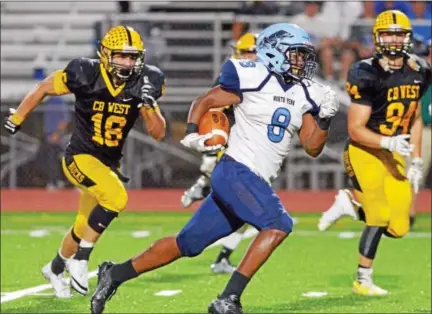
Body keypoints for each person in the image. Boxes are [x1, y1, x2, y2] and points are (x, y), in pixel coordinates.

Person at [90, 22, 340, 314]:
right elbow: (207, 100)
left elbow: (312, 147)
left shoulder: (308, 92)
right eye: (296, 54)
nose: (302, 61)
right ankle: (228, 298)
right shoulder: (251, 75)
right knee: (278, 224)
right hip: (235, 169)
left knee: (187, 244)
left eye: (303, 55)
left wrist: (324, 117)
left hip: (254, 179)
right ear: (274, 51)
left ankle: (114, 273)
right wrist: (194, 132)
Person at [3, 25, 167, 298]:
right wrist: (18, 117)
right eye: (121, 56)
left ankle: (55, 268)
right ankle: (81, 258)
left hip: (108, 164)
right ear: (105, 54)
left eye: (133, 57)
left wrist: (148, 105)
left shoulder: (145, 81)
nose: (128, 63)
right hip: (79, 156)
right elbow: (44, 87)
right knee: (116, 198)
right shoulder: (85, 72)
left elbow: (159, 133)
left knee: (83, 224)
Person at [317, 10, 431, 295]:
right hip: (365, 150)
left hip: (394, 154)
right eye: (388, 33)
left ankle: (350, 205)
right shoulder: (365, 72)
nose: (393, 39)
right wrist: (387, 142)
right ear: (378, 37)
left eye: (398, 33)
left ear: (407, 37)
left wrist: (416, 159)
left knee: (400, 227)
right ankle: (363, 280)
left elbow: (415, 117)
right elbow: (356, 129)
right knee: (378, 215)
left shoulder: (420, 70)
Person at [181, 32, 258, 274]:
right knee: (246, 207)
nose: (252, 57)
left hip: (253, 147)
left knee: (244, 210)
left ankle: (203, 188)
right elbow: (212, 114)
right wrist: (210, 147)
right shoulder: (231, 77)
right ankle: (204, 186)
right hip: (233, 147)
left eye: (254, 52)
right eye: (247, 52)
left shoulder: (265, 78)